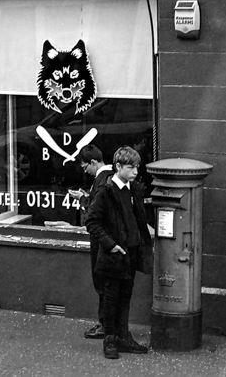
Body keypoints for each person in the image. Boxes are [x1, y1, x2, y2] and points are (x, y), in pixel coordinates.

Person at [85, 146, 153, 359]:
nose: (135, 171)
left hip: (131, 253)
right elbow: (91, 221)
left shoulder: (133, 189)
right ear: (118, 167)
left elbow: (136, 219)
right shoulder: (105, 191)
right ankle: (110, 340)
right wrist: (110, 244)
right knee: (111, 298)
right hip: (114, 255)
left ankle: (124, 337)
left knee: (125, 297)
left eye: (137, 167)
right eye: (131, 167)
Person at [68, 144, 114, 340]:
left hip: (101, 240)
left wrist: (84, 200)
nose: (85, 171)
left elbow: (99, 210)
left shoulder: (103, 180)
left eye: (86, 167)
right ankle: (108, 324)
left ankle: (106, 325)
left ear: (94, 162)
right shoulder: (111, 176)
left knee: (102, 282)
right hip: (107, 239)